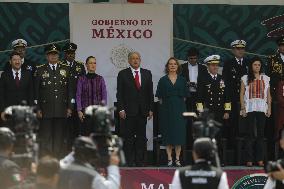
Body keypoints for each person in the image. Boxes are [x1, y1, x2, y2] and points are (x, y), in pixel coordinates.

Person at [34, 43, 72, 158]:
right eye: (51, 54)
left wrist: (70, 107)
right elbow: (36, 92)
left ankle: (57, 159)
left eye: (55, 54)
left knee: (59, 137)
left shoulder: (66, 69)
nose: (53, 56)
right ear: (47, 56)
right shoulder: (40, 70)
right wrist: (38, 108)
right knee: (46, 136)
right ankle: (47, 160)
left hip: (61, 109)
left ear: (58, 55)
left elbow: (70, 90)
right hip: (45, 110)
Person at [116, 51, 154, 166]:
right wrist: (121, 109)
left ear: (140, 60)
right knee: (129, 138)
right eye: (133, 58)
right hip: (128, 112)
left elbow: (150, 93)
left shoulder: (147, 73)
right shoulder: (123, 74)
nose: (135, 60)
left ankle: (140, 161)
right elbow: (120, 93)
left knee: (141, 138)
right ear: (129, 60)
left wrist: (151, 109)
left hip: (143, 111)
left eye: (137, 58)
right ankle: (129, 161)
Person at [156, 57, 188, 167]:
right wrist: (167, 106)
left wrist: (177, 104)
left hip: (180, 110)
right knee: (168, 135)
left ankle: (178, 159)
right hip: (166, 110)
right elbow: (160, 98)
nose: (173, 65)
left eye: (175, 64)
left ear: (178, 66)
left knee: (178, 135)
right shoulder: (162, 80)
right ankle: (169, 159)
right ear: (167, 66)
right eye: (170, 64)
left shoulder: (183, 80)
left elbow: (185, 97)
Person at [240, 56, 271, 167]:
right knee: (249, 133)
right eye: (255, 64)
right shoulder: (245, 78)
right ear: (251, 66)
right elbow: (241, 94)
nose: (257, 66)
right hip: (249, 108)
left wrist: (269, 108)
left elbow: (268, 95)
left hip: (262, 108)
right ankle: (249, 159)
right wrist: (243, 108)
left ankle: (260, 159)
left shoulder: (265, 78)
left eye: (258, 65)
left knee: (261, 134)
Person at [181, 47, 207, 149]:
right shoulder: (182, 67)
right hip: (186, 97)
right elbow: (179, 81)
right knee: (186, 120)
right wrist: (186, 84)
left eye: (194, 58)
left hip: (198, 97)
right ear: (187, 58)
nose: (193, 60)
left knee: (198, 119)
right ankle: (187, 144)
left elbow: (205, 83)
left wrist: (198, 85)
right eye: (191, 58)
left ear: (198, 58)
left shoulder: (203, 68)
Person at [222, 40, 249, 139]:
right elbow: (226, 85)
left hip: (246, 99)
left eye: (242, 48)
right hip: (233, 99)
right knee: (233, 125)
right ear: (233, 50)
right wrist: (227, 104)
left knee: (245, 125)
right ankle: (233, 149)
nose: (241, 51)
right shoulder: (228, 63)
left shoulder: (248, 63)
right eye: (238, 49)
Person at [76, 56, 107, 135]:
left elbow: (104, 95)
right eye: (90, 63)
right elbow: (78, 95)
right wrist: (79, 110)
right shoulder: (81, 79)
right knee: (86, 136)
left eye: (94, 63)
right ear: (86, 65)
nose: (93, 65)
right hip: (85, 113)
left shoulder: (100, 79)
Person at [62, 42, 86, 144]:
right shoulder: (60, 65)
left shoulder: (80, 66)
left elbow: (84, 85)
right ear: (65, 54)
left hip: (78, 103)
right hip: (64, 103)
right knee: (66, 129)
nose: (71, 55)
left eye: (72, 53)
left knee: (78, 129)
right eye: (69, 53)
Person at [0, 52, 33, 122]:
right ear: (10, 62)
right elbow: (1, 94)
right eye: (14, 60)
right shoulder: (4, 75)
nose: (17, 62)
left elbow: (31, 93)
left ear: (21, 61)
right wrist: (2, 111)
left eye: (19, 59)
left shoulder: (28, 74)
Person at [267, 37, 284, 141]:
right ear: (279, 46)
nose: (283, 47)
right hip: (276, 94)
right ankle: (273, 148)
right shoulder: (272, 59)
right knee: (276, 121)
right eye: (282, 45)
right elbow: (268, 78)